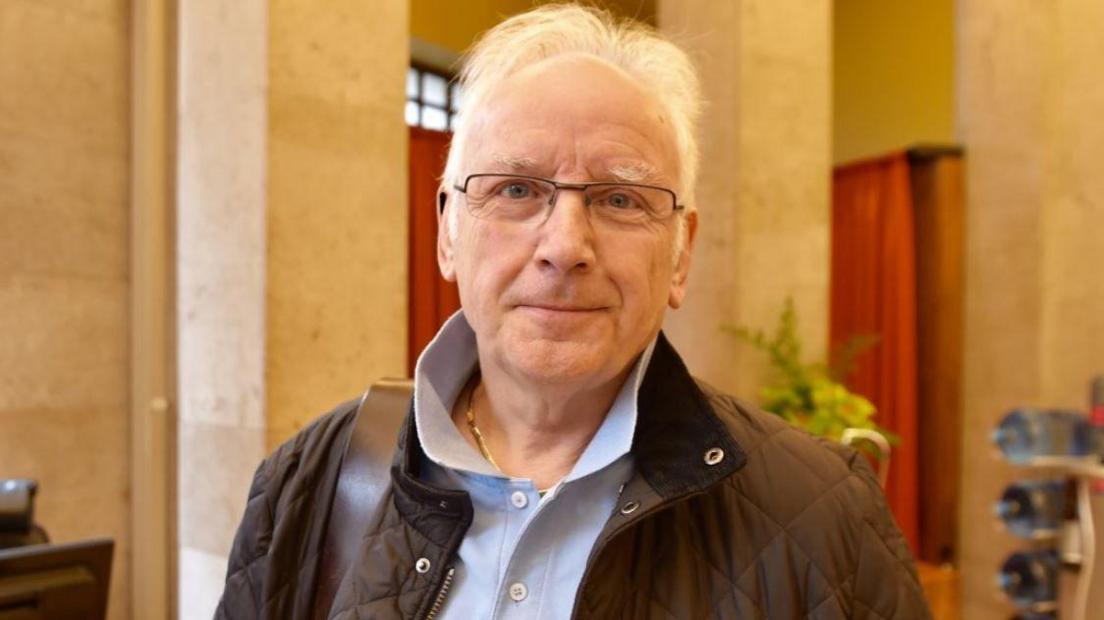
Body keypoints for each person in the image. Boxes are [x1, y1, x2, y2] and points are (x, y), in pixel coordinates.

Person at [217, 5, 930, 619]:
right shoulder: (310, 483)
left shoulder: (825, 518)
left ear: (680, 254)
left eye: (620, 198)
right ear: (447, 232)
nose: (564, 246)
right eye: (518, 190)